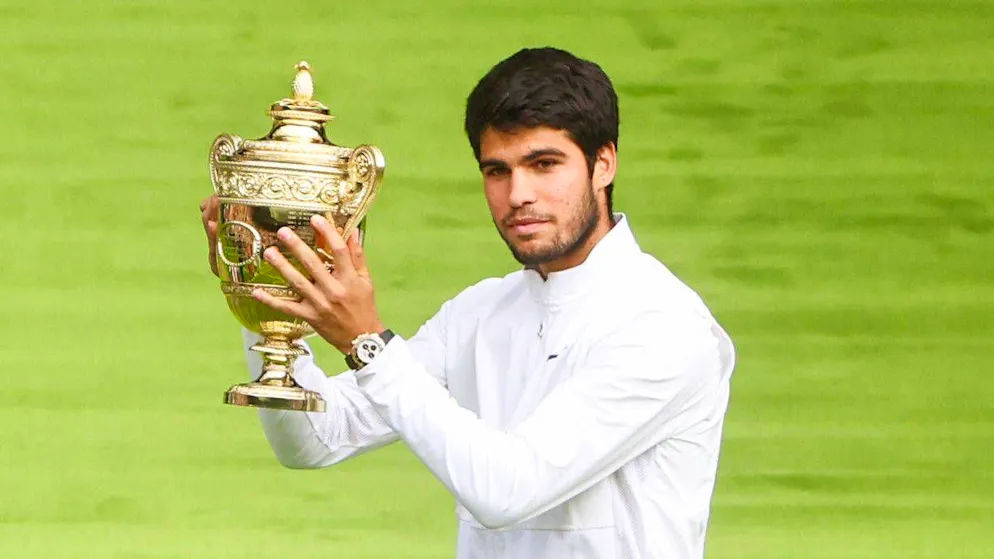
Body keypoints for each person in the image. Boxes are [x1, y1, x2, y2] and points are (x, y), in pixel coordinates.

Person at [201, 46, 736, 559]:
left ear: (604, 164)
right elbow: (314, 440)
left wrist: (368, 344)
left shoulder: (665, 328)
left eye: (544, 164)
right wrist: (262, 284)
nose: (518, 194)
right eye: (497, 170)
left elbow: (508, 491)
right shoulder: (482, 312)